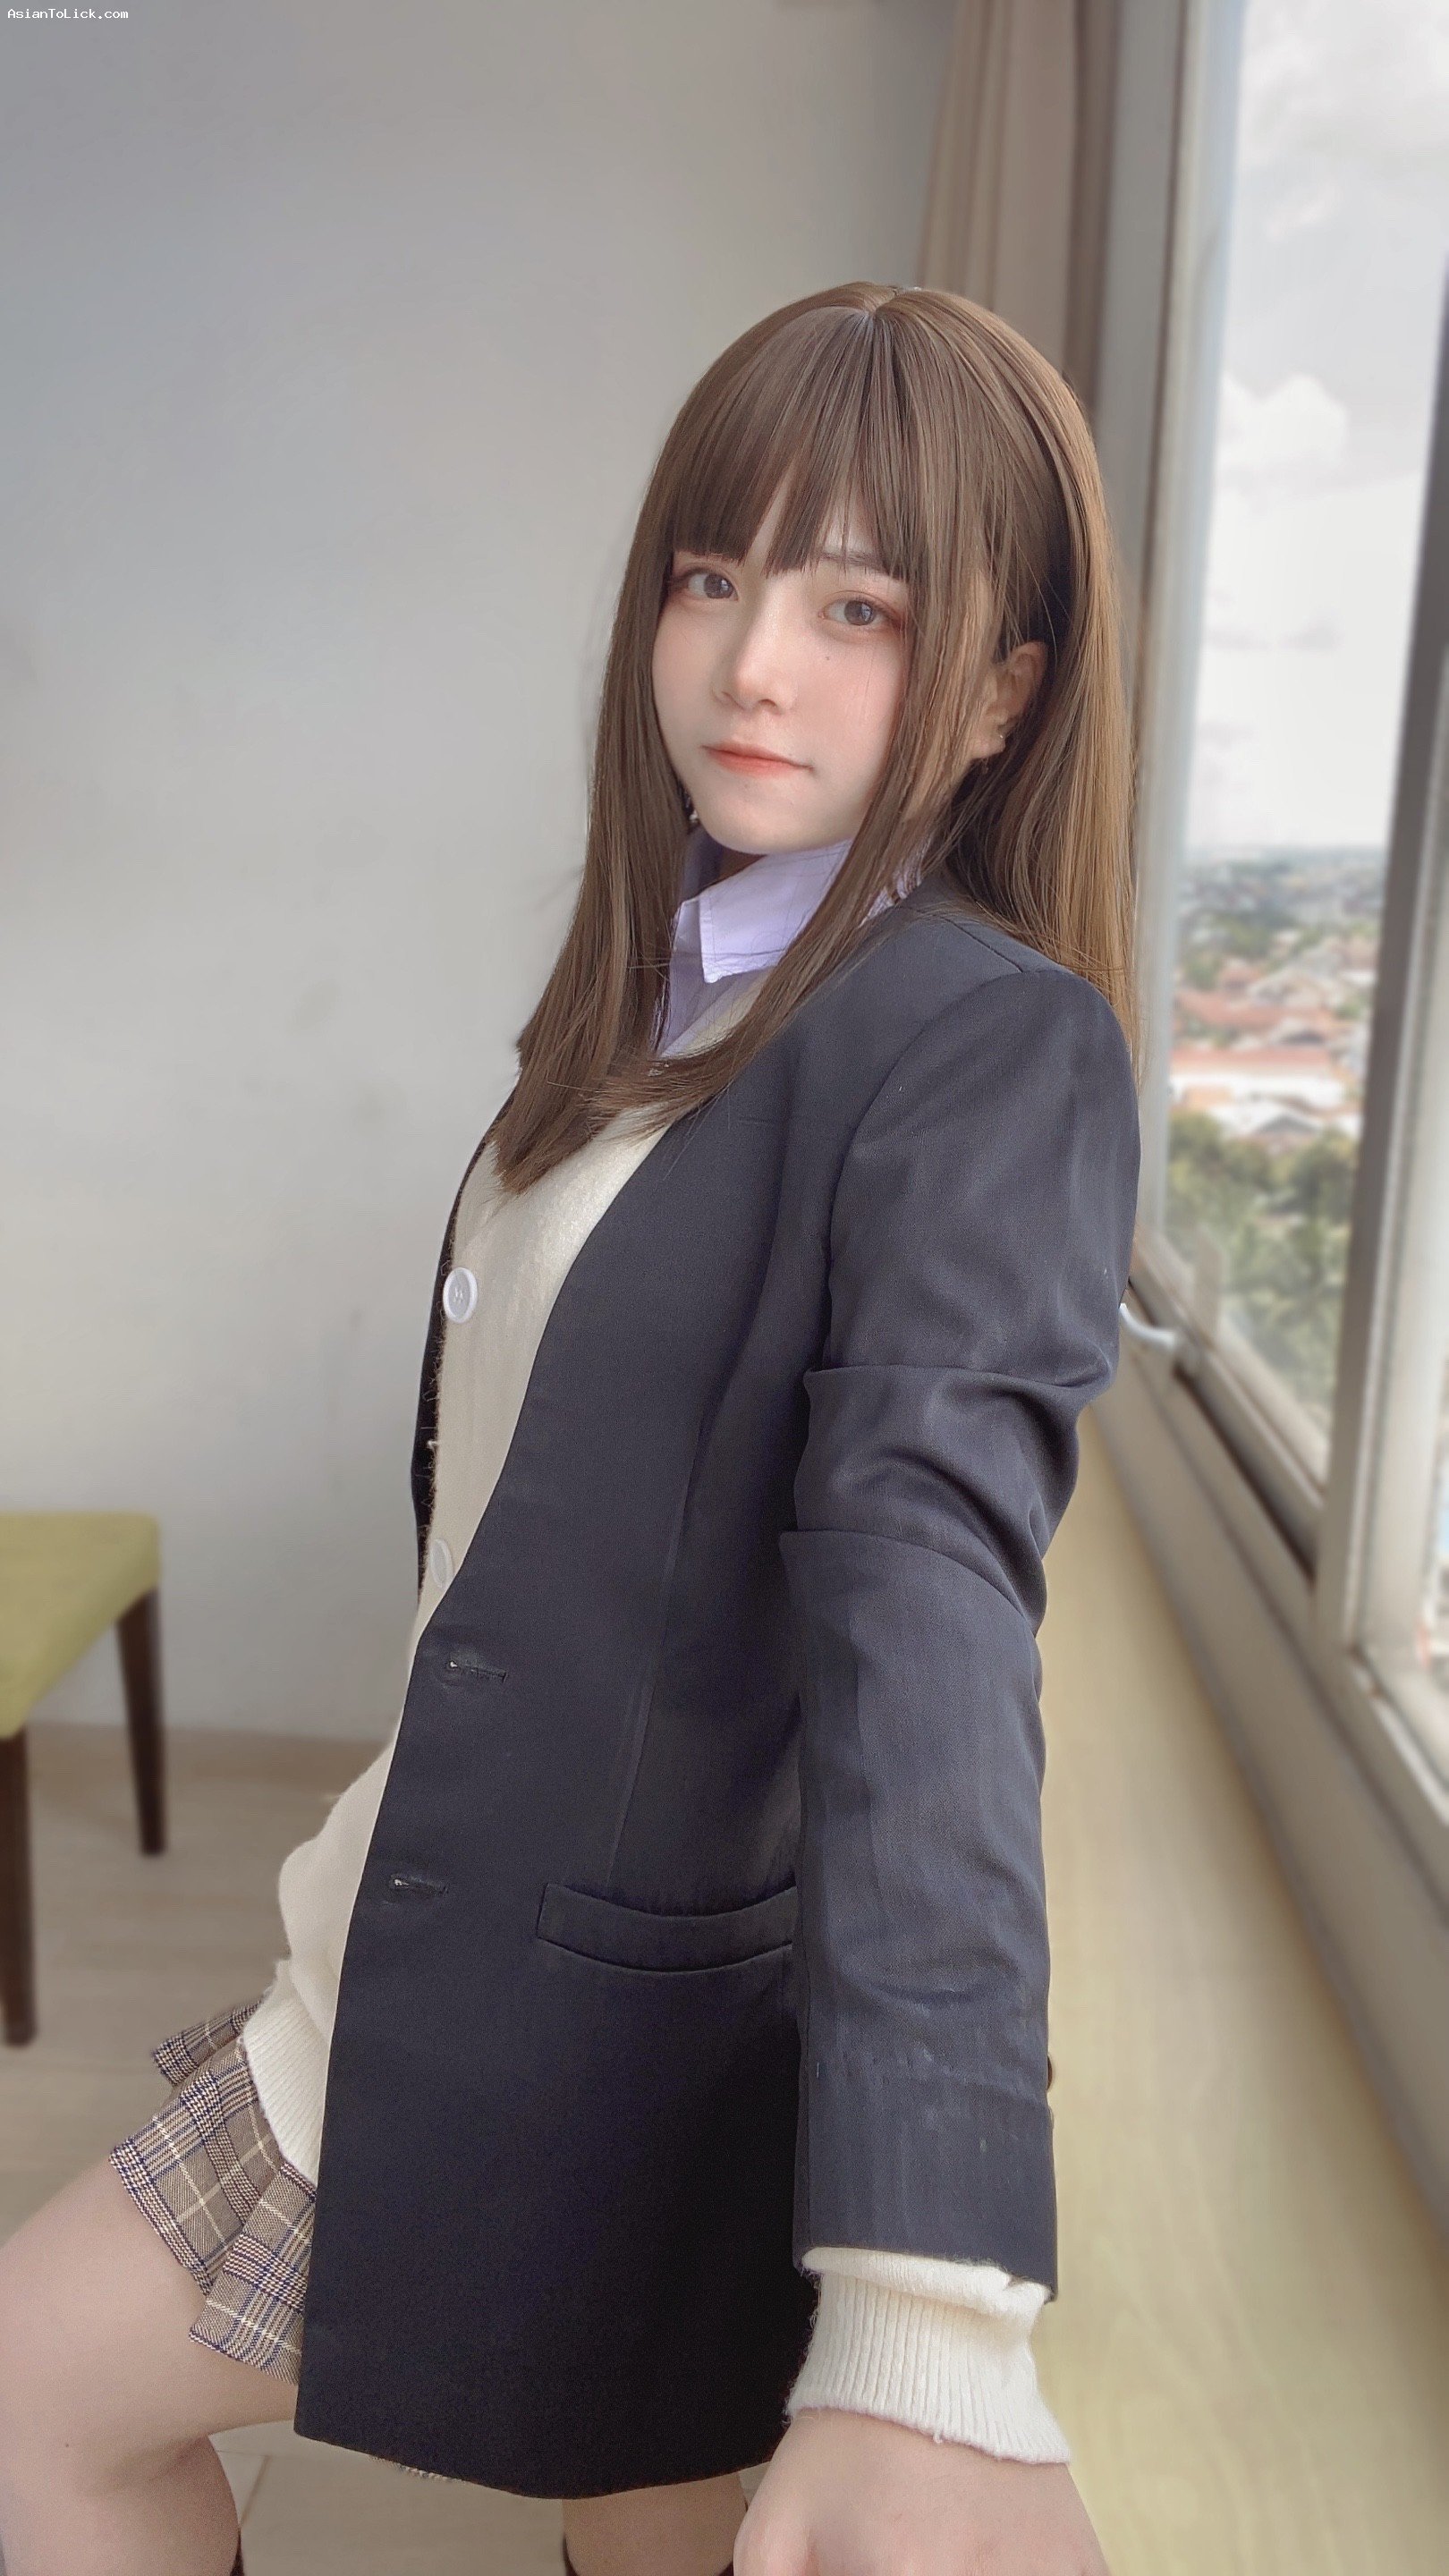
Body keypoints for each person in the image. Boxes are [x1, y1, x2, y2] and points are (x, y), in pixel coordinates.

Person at [0, 281, 1140, 2576]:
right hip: (469, 1946)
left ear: (1003, 693)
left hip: (617, 2039)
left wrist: (933, 2313)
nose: (751, 667)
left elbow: (928, 1611)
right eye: (713, 579)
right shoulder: (677, 983)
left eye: (859, 609)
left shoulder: (978, 1042)